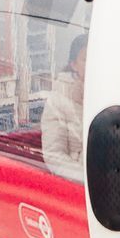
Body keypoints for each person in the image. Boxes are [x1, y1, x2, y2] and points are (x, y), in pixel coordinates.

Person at [39, 33, 87, 176]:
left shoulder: (114, 92)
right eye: (86, 59)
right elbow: (54, 156)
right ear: (74, 65)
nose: (93, 63)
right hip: (82, 185)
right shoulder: (58, 100)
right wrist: (88, 180)